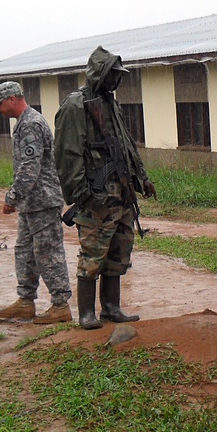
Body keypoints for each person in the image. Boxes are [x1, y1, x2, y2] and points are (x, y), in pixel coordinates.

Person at [54, 46, 156, 330]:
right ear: (99, 74)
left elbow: (126, 144)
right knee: (93, 254)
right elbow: (67, 154)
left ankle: (111, 307)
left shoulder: (111, 104)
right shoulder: (75, 106)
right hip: (96, 196)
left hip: (121, 193)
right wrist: (81, 194)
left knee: (119, 250)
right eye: (112, 75)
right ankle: (86, 313)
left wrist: (141, 177)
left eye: (118, 76)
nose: (116, 80)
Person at [0, 81, 73, 324]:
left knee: (48, 253)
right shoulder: (23, 124)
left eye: (0, 104)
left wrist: (12, 196)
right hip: (31, 204)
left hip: (43, 202)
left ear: (13, 99)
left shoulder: (31, 125)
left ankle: (61, 305)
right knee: (24, 252)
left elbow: (30, 167)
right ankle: (25, 302)